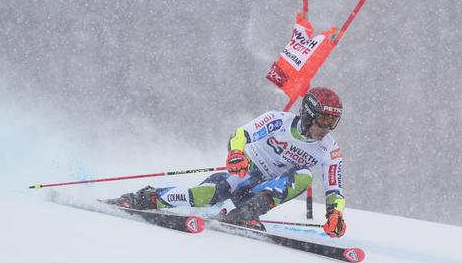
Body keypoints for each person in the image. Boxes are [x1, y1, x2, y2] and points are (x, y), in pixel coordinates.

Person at [108, 87, 346, 237]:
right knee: (204, 195)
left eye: (333, 122)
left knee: (304, 176)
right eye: (324, 119)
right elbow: (241, 135)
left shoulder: (329, 150)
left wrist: (335, 214)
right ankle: (142, 198)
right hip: (246, 172)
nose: (327, 127)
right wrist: (236, 154)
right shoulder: (278, 120)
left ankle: (244, 214)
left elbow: (335, 189)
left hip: (264, 192)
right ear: (307, 114)